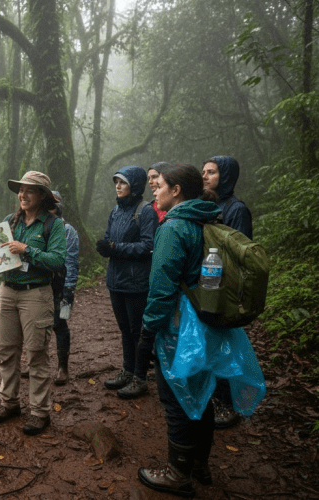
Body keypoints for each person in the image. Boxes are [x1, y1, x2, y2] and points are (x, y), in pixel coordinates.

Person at [137, 163, 221, 498]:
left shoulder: (173, 227)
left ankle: (177, 473)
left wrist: (147, 332)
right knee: (201, 390)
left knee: (175, 395)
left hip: (178, 325)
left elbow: (161, 289)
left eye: (160, 185)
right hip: (204, 317)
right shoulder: (207, 217)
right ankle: (199, 463)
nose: (154, 189)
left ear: (177, 191)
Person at [0, 171, 66, 436]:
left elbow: (57, 260)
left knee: (36, 353)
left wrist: (27, 250)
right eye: (20, 190)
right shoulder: (9, 222)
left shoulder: (53, 225)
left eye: (29, 191)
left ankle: (39, 412)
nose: (22, 195)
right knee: (6, 350)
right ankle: (9, 403)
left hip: (36, 293)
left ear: (42, 196)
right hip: (7, 291)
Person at [96, 165, 157, 399]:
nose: (118, 186)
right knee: (124, 330)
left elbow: (148, 246)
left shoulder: (146, 211)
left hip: (136, 282)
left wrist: (115, 248)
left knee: (137, 331)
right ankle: (127, 370)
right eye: (116, 182)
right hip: (115, 280)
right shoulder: (115, 211)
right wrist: (106, 247)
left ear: (135, 185)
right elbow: (110, 238)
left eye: (123, 182)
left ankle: (140, 378)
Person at [201, 155, 253, 429]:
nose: (205, 176)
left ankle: (230, 405)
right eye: (204, 171)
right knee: (211, 344)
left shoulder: (236, 209)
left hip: (226, 288)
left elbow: (240, 252)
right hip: (208, 284)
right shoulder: (209, 204)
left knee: (225, 347)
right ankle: (215, 398)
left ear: (227, 176)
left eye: (212, 172)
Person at [50, 191, 80, 386]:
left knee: (60, 324)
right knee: (38, 325)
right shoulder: (37, 227)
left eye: (54, 204)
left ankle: (63, 367)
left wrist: (69, 289)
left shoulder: (67, 230)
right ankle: (39, 364)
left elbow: (71, 261)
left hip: (61, 286)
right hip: (41, 285)